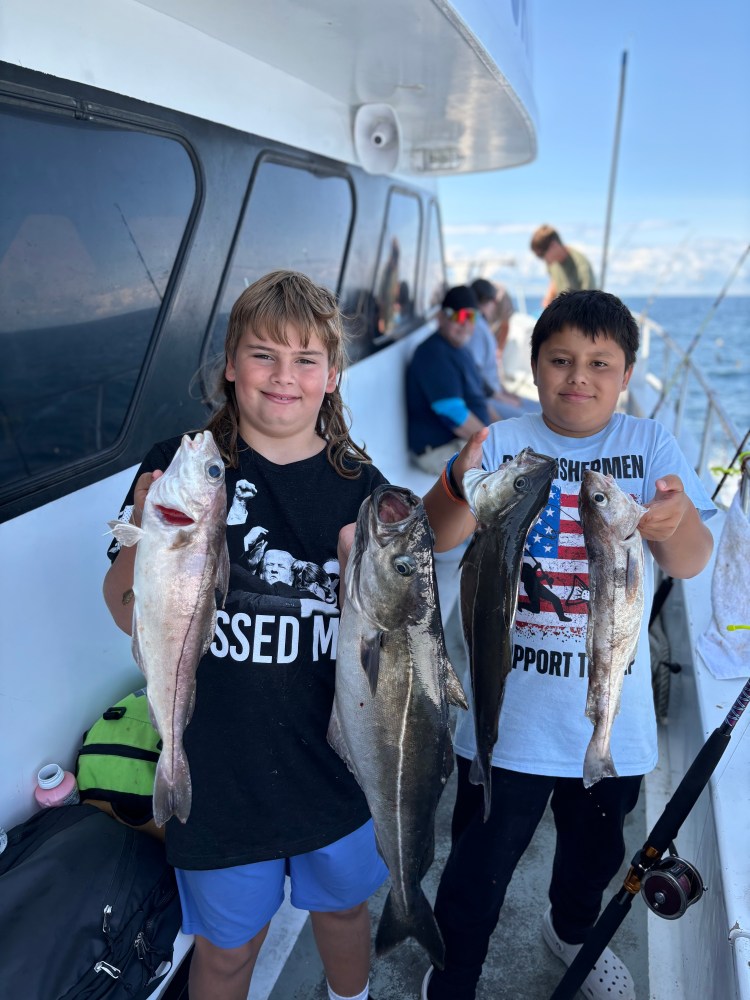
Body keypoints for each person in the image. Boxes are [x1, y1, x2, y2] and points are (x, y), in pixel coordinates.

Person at [419, 290, 715, 1000]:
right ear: (533, 364)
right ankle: (455, 967)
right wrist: (459, 481)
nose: (578, 377)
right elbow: (437, 536)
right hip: (504, 721)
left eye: (599, 364)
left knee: (594, 858)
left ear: (626, 373)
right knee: (477, 865)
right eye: (560, 360)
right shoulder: (504, 440)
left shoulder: (651, 446)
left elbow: (693, 561)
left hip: (610, 721)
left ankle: (571, 930)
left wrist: (673, 524)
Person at [103, 270, 389, 1000]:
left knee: (345, 912)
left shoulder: (361, 483)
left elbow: (390, 642)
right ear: (230, 364)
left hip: (335, 768)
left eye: (304, 360)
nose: (282, 377)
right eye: (263, 354)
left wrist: (372, 574)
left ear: (331, 377)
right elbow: (119, 607)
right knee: (225, 952)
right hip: (217, 769)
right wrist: (148, 532)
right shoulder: (178, 468)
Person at [406, 285, 490, 475]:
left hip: (465, 439)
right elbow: (452, 413)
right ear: (441, 318)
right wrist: (494, 444)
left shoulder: (461, 350)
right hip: (439, 450)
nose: (465, 324)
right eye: (459, 316)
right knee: (509, 473)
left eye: (471, 317)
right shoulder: (433, 353)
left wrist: (507, 430)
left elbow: (480, 399)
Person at [469, 277, 537, 419]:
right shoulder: (478, 330)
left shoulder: (480, 326)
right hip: (488, 401)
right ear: (491, 301)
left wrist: (506, 393)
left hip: (497, 393)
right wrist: (502, 397)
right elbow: (474, 375)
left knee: (543, 408)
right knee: (536, 420)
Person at [531, 224, 597, 308]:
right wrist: (548, 299)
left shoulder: (581, 266)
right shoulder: (552, 263)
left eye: (541, 255)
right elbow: (554, 281)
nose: (542, 259)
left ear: (553, 245)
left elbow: (590, 304)